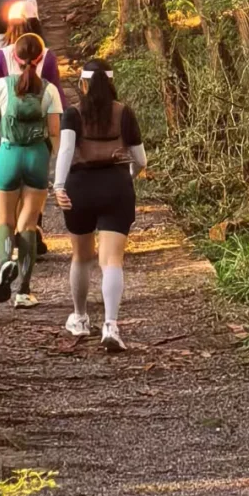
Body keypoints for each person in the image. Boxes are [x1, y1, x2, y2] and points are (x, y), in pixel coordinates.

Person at [54, 60, 146, 353]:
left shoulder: (73, 114)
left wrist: (58, 186)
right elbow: (141, 160)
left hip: (79, 188)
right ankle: (111, 324)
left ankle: (80, 317)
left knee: (82, 257)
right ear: (111, 83)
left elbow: (66, 151)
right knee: (112, 260)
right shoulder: (124, 113)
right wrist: (126, 176)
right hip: (116, 188)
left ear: (83, 84)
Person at [0, 33, 62, 310]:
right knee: (28, 225)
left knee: (4, 222)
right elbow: (55, 132)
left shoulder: (2, 85)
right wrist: (57, 163)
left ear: (14, 57)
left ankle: (5, 263)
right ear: (40, 58)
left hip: (8, 155)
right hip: (36, 157)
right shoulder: (49, 90)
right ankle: (24, 290)